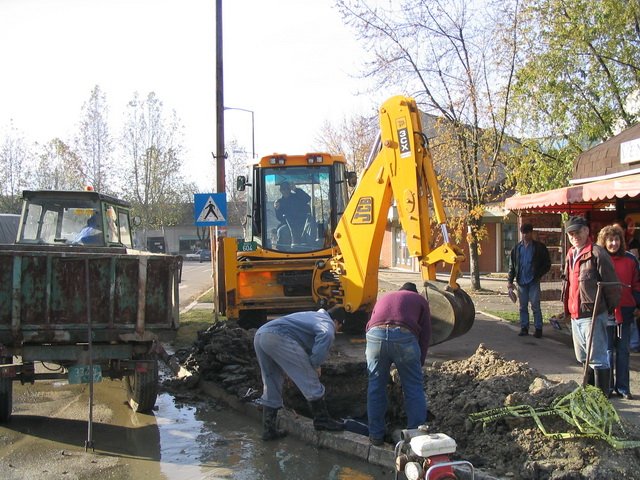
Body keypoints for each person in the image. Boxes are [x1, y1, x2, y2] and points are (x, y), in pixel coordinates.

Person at [253, 306, 346, 441]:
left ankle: (269, 430)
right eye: (339, 327)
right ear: (337, 321)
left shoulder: (312, 316)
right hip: (278, 337)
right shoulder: (327, 323)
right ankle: (322, 420)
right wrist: (315, 365)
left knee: (271, 382)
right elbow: (327, 334)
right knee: (310, 380)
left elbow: (302, 342)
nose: (337, 331)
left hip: (261, 335)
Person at [365, 282, 431, 446]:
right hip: (404, 337)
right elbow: (426, 334)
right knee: (413, 387)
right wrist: (419, 361)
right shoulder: (420, 300)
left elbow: (369, 324)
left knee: (375, 386)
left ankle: (375, 436)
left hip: (374, 336)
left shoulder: (385, 297)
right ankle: (415, 437)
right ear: (414, 293)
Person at [561, 216, 621, 396]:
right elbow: (569, 284)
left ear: (586, 231)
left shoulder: (597, 253)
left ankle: (602, 399)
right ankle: (590, 397)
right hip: (576, 314)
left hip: (593, 314)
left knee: (598, 358)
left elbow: (612, 286)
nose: (574, 236)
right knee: (583, 358)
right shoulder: (571, 253)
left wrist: (607, 310)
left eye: (577, 232)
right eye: (571, 233)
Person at [597, 224, 640, 399]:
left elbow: (637, 283)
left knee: (623, 350)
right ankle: (606, 387)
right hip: (605, 311)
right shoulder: (599, 258)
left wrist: (637, 304)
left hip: (627, 310)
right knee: (606, 350)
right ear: (604, 242)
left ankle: (623, 388)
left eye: (616, 240)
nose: (613, 243)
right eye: (610, 240)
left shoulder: (631, 259)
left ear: (621, 241)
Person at [507, 223, 552, 338]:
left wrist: (538, 274)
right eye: (523, 233)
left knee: (535, 305)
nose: (525, 235)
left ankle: (538, 328)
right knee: (522, 306)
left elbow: (547, 263)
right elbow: (512, 266)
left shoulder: (539, 247)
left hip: (533, 280)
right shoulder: (517, 248)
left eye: (527, 233)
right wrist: (510, 281)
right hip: (521, 281)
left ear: (532, 233)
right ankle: (524, 327)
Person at [274, 181, 311, 246]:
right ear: (280, 190)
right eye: (283, 189)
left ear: (290, 189)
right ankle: (283, 252)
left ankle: (309, 247)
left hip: (302, 224)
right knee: (281, 230)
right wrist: (277, 210)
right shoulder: (279, 202)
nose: (285, 191)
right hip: (288, 226)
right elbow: (279, 218)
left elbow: (308, 198)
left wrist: (296, 189)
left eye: (287, 188)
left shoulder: (297, 197)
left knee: (310, 228)